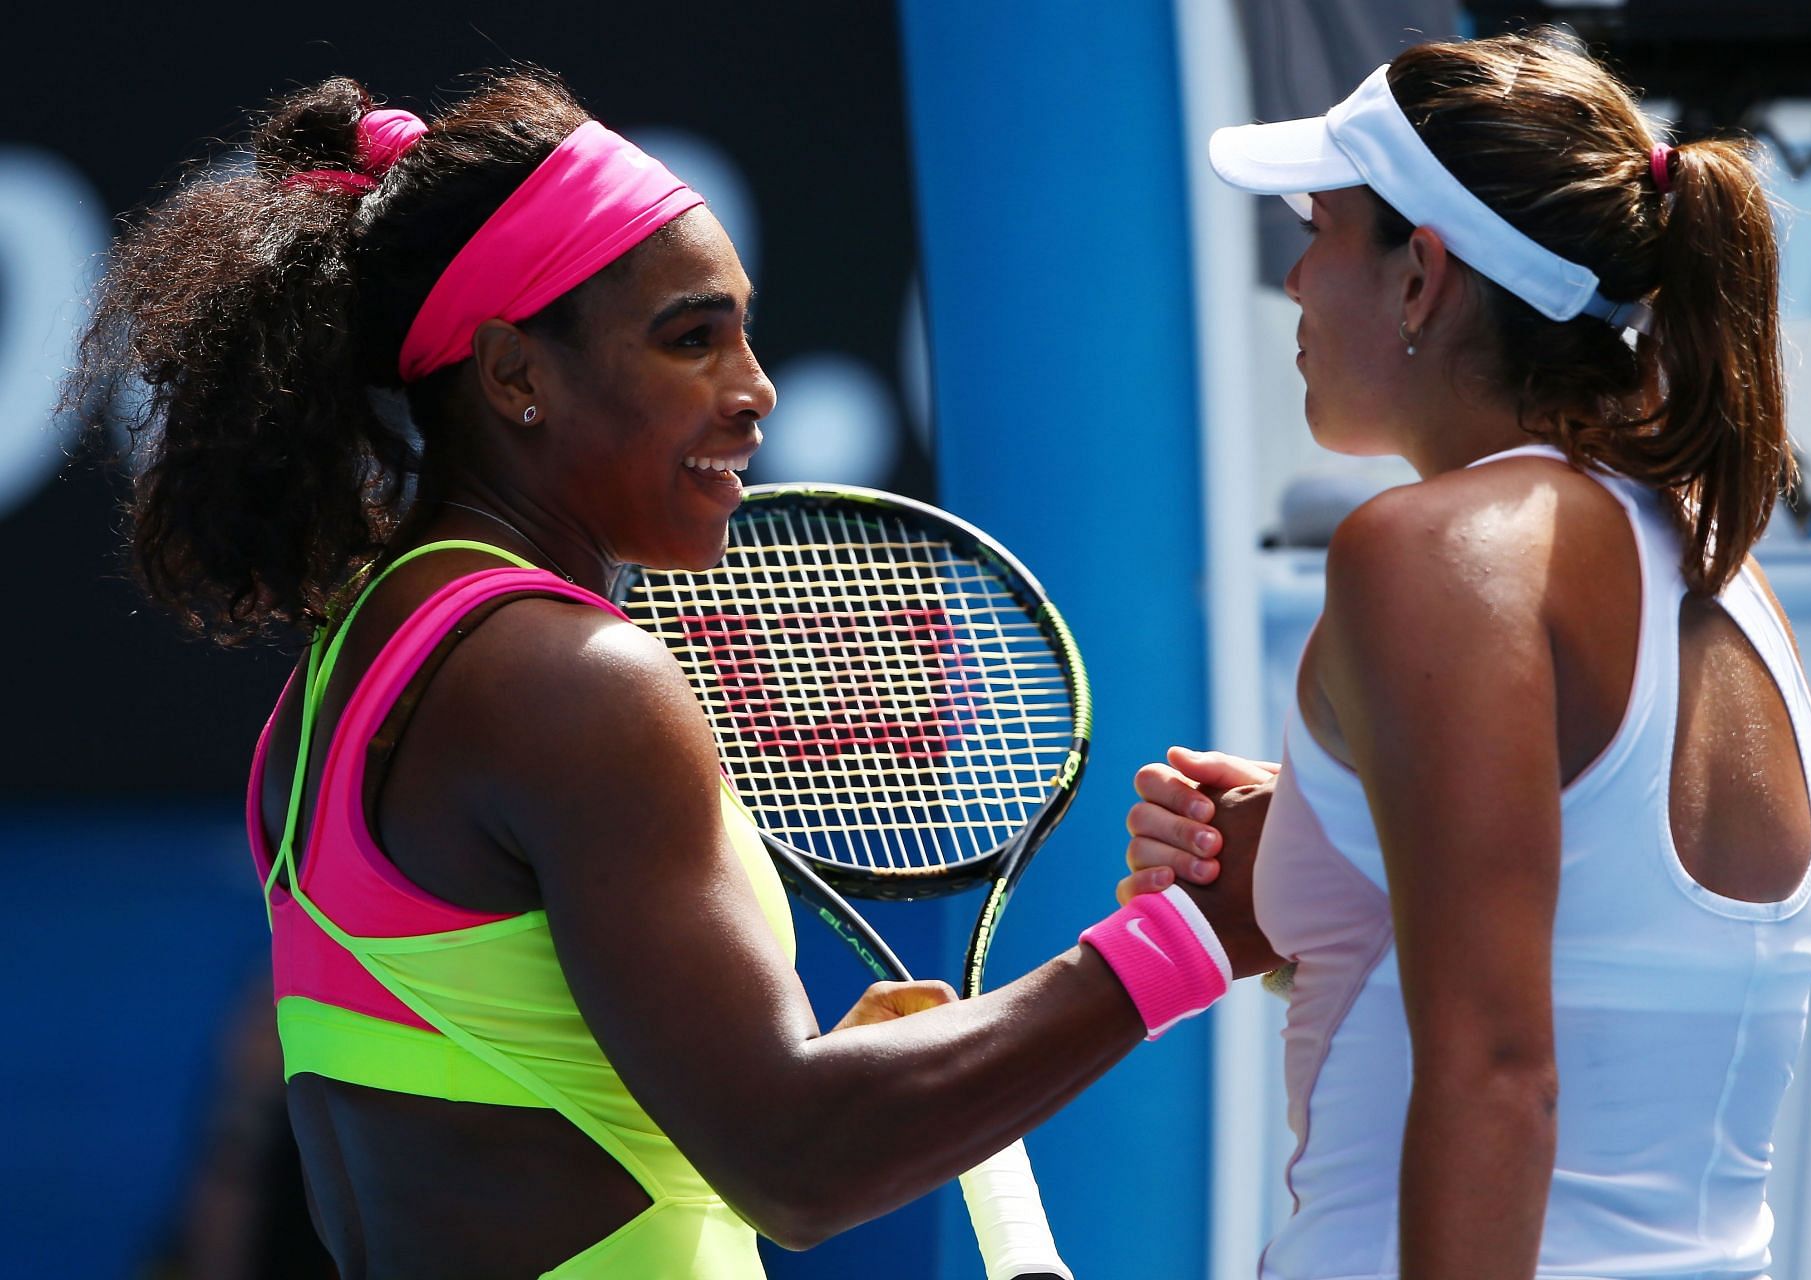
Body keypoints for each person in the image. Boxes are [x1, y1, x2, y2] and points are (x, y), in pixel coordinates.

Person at [71, 71, 1272, 1278]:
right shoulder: (574, 680)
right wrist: (1197, 935)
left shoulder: (355, 661)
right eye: (691, 337)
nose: (755, 392)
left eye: (744, 332)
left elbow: (523, 1122)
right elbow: (797, 1159)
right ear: (514, 375)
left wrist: (863, 1077)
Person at [1120, 31, 1811, 1280]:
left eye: (1318, 229)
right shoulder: (1715, 558)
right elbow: (1604, 970)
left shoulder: (1430, 553)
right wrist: (1320, 859)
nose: (1293, 280)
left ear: (1419, 278)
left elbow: (1499, 1073)